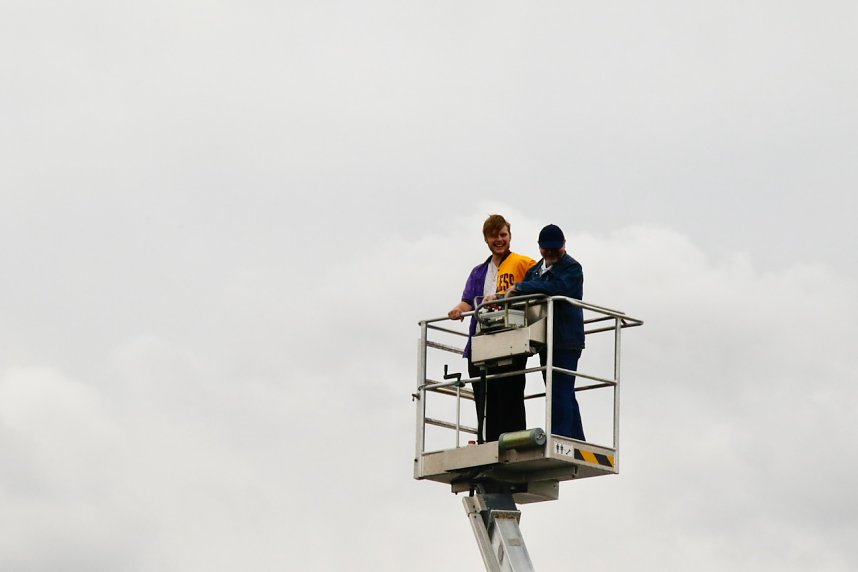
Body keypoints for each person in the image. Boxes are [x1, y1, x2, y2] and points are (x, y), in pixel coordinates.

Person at [448, 214, 536, 443]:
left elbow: (537, 287)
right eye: (494, 236)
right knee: (484, 397)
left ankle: (514, 441)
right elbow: (468, 300)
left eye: (503, 235)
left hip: (510, 341)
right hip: (480, 343)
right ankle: (488, 441)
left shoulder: (522, 263)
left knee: (510, 393)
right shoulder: (479, 271)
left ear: (510, 236)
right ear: (486, 239)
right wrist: (458, 309)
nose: (499, 240)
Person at [506, 224, 586, 440]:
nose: (550, 253)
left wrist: (520, 288)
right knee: (559, 390)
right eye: (546, 248)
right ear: (539, 247)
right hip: (546, 338)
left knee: (561, 389)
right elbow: (535, 288)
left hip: (566, 339)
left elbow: (556, 288)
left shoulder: (572, 268)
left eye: (555, 248)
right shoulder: (534, 271)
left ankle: (561, 437)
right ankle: (576, 438)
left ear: (564, 246)